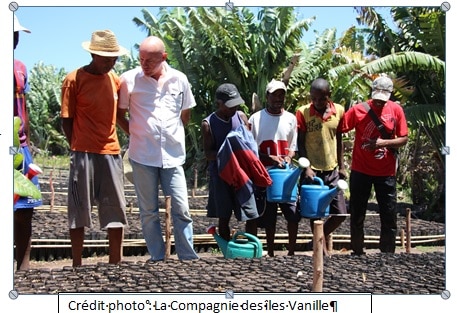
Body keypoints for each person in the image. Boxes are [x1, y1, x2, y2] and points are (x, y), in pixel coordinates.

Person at [118, 36, 198, 261]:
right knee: (148, 211)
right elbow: (119, 115)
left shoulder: (179, 80)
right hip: (142, 155)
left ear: (163, 57)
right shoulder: (129, 80)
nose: (144, 64)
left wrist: (173, 133)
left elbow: (185, 114)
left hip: (173, 156)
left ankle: (188, 258)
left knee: (181, 208)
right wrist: (136, 132)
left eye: (150, 60)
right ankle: (157, 257)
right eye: (141, 59)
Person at [60, 30, 129, 267]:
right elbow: (66, 119)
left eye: (114, 59)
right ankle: (77, 264)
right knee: (78, 208)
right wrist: (76, 145)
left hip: (110, 151)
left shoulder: (116, 81)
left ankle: (115, 262)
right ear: (92, 54)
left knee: (115, 208)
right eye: (106, 59)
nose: (111, 64)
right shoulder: (74, 79)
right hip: (82, 152)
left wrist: (136, 133)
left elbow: (120, 116)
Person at [340, 75, 408, 255]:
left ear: (390, 95)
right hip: (361, 169)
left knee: (389, 214)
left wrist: (381, 144)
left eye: (382, 101)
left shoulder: (396, 110)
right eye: (376, 100)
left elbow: (403, 138)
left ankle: (387, 253)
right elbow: (339, 129)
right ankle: (357, 251)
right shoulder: (358, 110)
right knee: (357, 213)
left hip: (385, 172)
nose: (379, 104)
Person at [201, 83, 260, 242]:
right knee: (224, 216)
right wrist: (227, 153)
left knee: (251, 214)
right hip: (221, 175)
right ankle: (227, 251)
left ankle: (252, 248)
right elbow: (208, 154)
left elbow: (249, 143)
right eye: (229, 106)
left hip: (242, 174)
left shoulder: (241, 117)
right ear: (219, 104)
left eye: (235, 105)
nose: (233, 109)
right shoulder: (208, 124)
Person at [248, 79, 300, 257]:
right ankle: (270, 252)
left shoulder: (291, 119)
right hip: (264, 175)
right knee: (268, 216)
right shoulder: (256, 119)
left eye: (282, 95)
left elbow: (293, 146)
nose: (279, 98)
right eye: (275, 95)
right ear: (267, 96)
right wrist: (268, 157)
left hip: (286, 175)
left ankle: (291, 252)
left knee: (292, 214)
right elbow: (250, 149)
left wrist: (288, 156)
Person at [295, 78, 347, 255]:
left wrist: (342, 166)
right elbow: (300, 143)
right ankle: (323, 253)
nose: (317, 102)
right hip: (313, 170)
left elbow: (339, 140)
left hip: (331, 168)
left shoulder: (339, 111)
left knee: (340, 213)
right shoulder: (303, 112)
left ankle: (319, 237)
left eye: (321, 99)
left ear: (329, 96)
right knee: (316, 214)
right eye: (314, 98)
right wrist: (306, 167)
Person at [13, 14, 42, 271]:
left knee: (24, 209)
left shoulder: (20, 67)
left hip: (19, 148)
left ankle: (23, 267)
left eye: (16, 34)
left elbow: (24, 107)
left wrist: (27, 143)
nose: (14, 38)